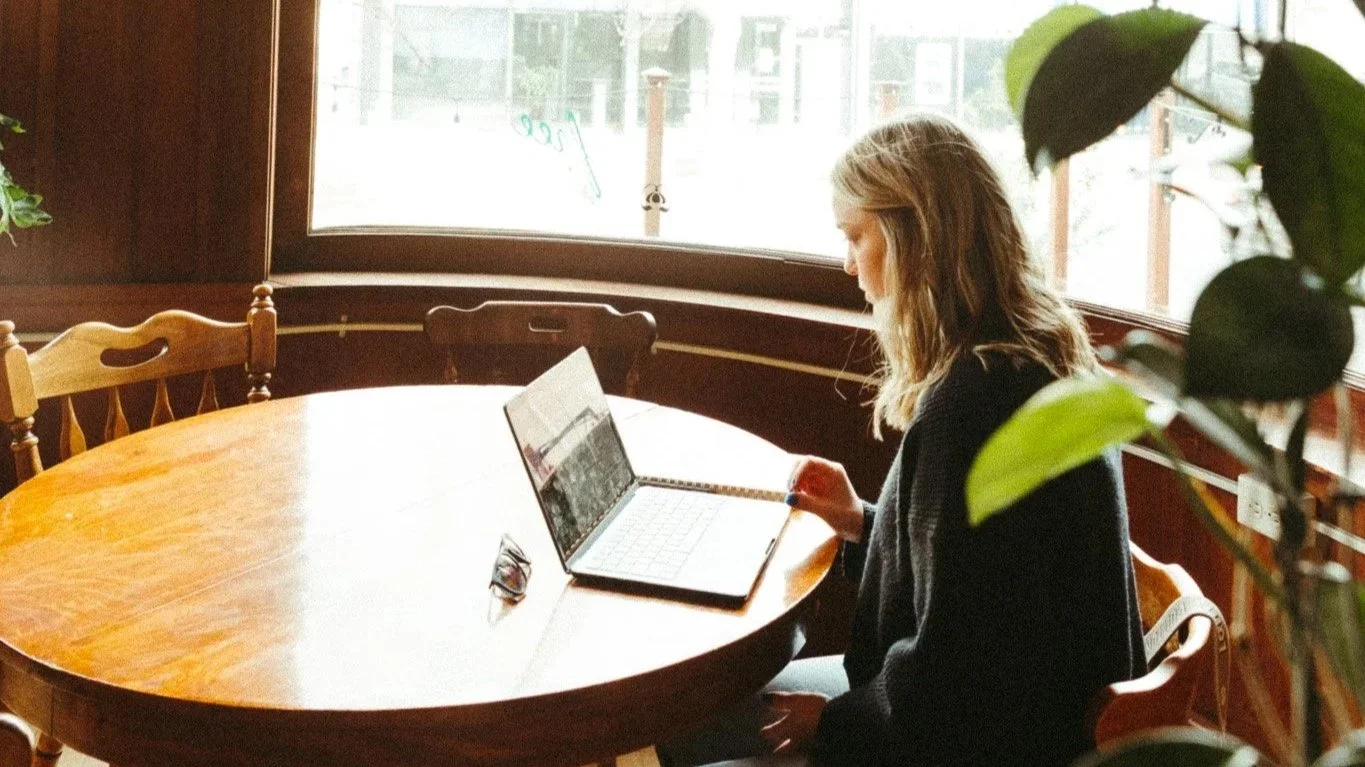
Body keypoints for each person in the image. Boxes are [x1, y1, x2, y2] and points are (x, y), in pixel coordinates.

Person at [659, 113, 1145, 766]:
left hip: (980, 745)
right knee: (686, 720)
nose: (846, 261)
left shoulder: (972, 406)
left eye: (854, 235)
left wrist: (830, 724)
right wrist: (861, 521)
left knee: (678, 729)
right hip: (1026, 722)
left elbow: (952, 685)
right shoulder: (1034, 357)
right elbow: (980, 592)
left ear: (911, 236)